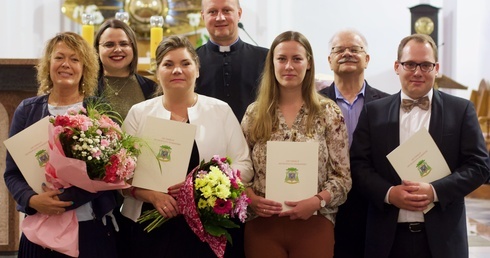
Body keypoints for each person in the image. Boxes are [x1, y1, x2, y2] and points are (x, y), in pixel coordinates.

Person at [350, 34, 490, 258]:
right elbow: (358, 165)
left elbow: (479, 166)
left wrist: (435, 191)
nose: (417, 72)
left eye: (426, 65)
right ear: (397, 67)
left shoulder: (461, 110)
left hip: (443, 240)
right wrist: (389, 193)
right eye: (410, 64)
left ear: (436, 68)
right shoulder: (374, 111)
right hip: (387, 238)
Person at [120, 35, 253, 257]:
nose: (177, 71)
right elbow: (121, 174)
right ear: (157, 71)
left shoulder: (220, 110)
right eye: (168, 64)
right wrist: (152, 195)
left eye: (185, 64)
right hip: (150, 223)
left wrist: (202, 187)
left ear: (197, 70)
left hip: (207, 223)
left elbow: (244, 165)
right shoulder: (139, 113)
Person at [4, 32, 119, 258]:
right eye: (59, 57)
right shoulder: (27, 110)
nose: (66, 64)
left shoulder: (100, 111)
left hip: (90, 231)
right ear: (48, 64)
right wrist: (32, 200)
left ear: (85, 68)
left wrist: (61, 201)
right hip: (39, 232)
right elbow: (11, 173)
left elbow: (109, 174)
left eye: (75, 59)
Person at [241, 31, 351, 258]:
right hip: (262, 225)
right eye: (281, 59)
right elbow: (239, 170)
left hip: (314, 223)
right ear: (272, 63)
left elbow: (343, 178)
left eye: (297, 59)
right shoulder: (254, 113)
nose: (289, 66)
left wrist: (317, 201)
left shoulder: (328, 112)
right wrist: (250, 197)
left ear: (308, 63)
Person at [318, 29, 389, 258]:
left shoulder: (388, 104)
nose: (347, 53)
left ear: (367, 59)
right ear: (329, 60)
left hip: (373, 205)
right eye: (339, 50)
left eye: (355, 49)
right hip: (327, 204)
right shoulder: (313, 103)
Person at [196, 0, 268, 121]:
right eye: (212, 12)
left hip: (254, 137)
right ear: (203, 16)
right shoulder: (190, 61)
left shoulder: (265, 58)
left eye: (226, 10)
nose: (220, 17)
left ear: (239, 14)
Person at [94, 18, 157, 119]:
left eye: (124, 44)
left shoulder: (152, 88)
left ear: (133, 48)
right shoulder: (86, 87)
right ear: (97, 49)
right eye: (109, 44)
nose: (118, 49)